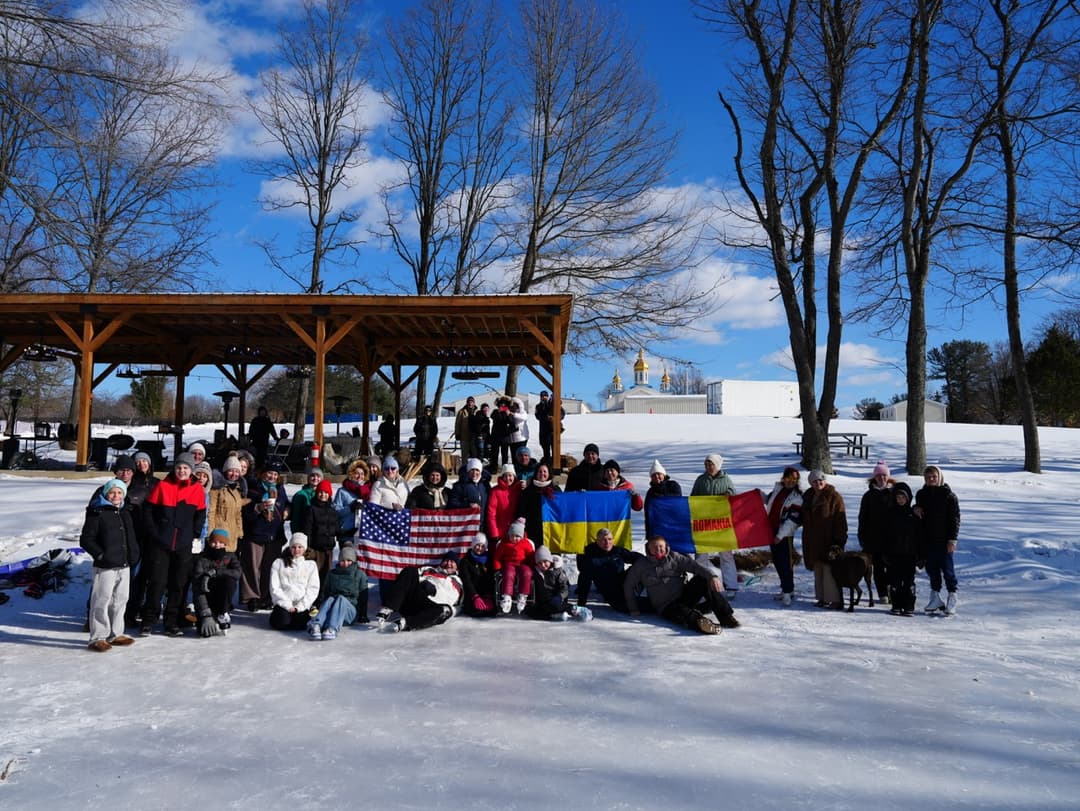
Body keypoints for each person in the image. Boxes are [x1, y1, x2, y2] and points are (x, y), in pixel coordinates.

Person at [141, 452, 207, 637]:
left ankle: (171, 621)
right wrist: (154, 533)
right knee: (157, 583)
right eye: (179, 467)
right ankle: (149, 620)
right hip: (161, 543)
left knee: (178, 584)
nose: (182, 471)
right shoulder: (163, 485)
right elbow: (148, 509)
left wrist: (194, 532)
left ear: (191, 470)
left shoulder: (196, 489)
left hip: (183, 544)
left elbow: (201, 513)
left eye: (186, 468)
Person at [623, 536, 739, 634]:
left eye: (661, 546)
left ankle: (726, 617)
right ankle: (702, 623)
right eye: (654, 547)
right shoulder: (641, 565)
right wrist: (633, 608)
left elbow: (695, 567)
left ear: (666, 546)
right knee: (682, 612)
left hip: (684, 596)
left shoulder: (675, 557)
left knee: (702, 579)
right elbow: (628, 585)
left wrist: (712, 576)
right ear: (648, 549)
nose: (658, 549)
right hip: (665, 606)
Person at [81, 478, 140, 651]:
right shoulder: (97, 512)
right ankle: (98, 636)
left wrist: (134, 554)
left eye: (119, 492)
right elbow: (86, 539)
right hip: (105, 565)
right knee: (101, 600)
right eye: (112, 492)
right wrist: (101, 554)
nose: (116, 495)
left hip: (124, 564)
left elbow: (130, 537)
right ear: (106, 493)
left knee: (120, 600)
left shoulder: (125, 512)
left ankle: (116, 633)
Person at [239, 462, 290, 612]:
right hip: (255, 532)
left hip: (275, 535)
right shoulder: (253, 488)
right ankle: (252, 597)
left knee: (270, 568)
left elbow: (286, 503)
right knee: (252, 567)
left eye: (275, 474)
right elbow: (244, 509)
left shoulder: (280, 490)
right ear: (262, 473)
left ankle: (266, 597)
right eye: (269, 473)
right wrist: (258, 507)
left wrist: (287, 510)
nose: (272, 476)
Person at [374, 552, 464, 632]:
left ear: (457, 566)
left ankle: (406, 623)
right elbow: (411, 578)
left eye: (452, 562)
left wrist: (434, 591)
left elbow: (451, 599)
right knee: (410, 570)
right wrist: (422, 583)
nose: (448, 563)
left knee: (443, 610)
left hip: (429, 606)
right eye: (446, 560)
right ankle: (388, 608)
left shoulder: (456, 581)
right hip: (414, 597)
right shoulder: (429, 569)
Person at [690, 453, 739, 598]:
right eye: (706, 464)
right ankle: (701, 584)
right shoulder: (700, 480)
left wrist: (729, 493)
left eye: (711, 464)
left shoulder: (726, 479)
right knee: (701, 556)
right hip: (704, 523)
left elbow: (734, 496)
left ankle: (730, 586)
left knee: (726, 555)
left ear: (717, 465)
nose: (708, 466)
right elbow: (692, 499)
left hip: (722, 524)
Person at [914, 465, 961, 615]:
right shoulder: (922, 494)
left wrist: (952, 539)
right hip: (928, 539)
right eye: (928, 477)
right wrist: (915, 508)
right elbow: (917, 512)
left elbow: (955, 519)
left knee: (947, 570)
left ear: (939, 477)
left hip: (944, 539)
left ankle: (952, 596)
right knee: (932, 570)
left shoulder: (948, 495)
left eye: (933, 477)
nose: (931, 479)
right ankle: (935, 596)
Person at [800, 470, 848, 609]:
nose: (818, 483)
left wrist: (839, 540)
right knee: (818, 569)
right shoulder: (808, 497)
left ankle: (833, 599)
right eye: (815, 481)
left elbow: (840, 520)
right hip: (813, 538)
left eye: (821, 480)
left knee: (829, 570)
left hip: (829, 539)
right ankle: (821, 597)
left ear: (825, 481)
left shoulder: (834, 496)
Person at [575, 527, 645, 612]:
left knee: (643, 565)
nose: (607, 543)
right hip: (610, 591)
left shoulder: (617, 551)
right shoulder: (590, 556)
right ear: (597, 541)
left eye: (609, 539)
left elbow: (638, 558)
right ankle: (656, 605)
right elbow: (584, 579)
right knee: (627, 606)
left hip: (623, 583)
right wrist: (581, 603)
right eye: (603, 540)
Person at [307, 544, 368, 639]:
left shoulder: (359, 575)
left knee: (340, 598)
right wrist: (318, 605)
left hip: (349, 612)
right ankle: (316, 624)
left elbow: (363, 596)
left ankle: (332, 628)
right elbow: (325, 592)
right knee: (331, 598)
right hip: (332, 609)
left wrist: (363, 615)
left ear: (354, 561)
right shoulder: (332, 574)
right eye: (343, 561)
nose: (346, 563)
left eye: (349, 561)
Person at [191, 528, 241, 637]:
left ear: (225, 543)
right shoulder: (201, 559)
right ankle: (212, 615)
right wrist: (205, 614)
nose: (217, 545)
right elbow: (197, 589)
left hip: (222, 599)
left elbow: (237, 573)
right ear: (210, 542)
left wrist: (215, 572)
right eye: (214, 542)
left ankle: (223, 613)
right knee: (205, 632)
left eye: (221, 542)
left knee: (229, 581)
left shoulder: (231, 557)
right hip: (207, 599)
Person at [764, 466, 803, 606]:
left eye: (794, 479)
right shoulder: (778, 490)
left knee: (785, 562)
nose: (791, 481)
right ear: (784, 478)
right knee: (777, 561)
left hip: (784, 534)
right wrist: (759, 495)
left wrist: (780, 535)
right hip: (771, 530)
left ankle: (788, 591)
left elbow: (793, 520)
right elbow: (769, 501)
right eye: (788, 478)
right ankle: (786, 589)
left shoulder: (797, 497)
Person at [858, 459, 895, 603]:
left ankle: (892, 590)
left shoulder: (894, 493)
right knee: (878, 567)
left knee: (892, 567)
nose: (882, 478)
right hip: (874, 538)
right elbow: (863, 518)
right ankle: (882, 593)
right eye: (879, 475)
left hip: (891, 538)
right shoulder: (868, 496)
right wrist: (862, 537)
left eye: (884, 475)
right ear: (874, 477)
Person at [885, 482, 923, 616]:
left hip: (910, 554)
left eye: (903, 497)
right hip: (894, 553)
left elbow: (920, 536)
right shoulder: (890, 513)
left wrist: (920, 555)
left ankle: (909, 605)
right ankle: (896, 604)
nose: (901, 500)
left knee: (908, 581)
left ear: (908, 498)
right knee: (895, 580)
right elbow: (886, 535)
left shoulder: (913, 514)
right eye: (898, 497)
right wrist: (886, 552)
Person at [268, 533, 320, 631]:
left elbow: (313, 589)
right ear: (290, 548)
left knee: (300, 625)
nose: (297, 550)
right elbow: (274, 588)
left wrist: (300, 606)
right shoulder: (278, 563)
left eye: (300, 547)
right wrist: (287, 605)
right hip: (283, 603)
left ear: (304, 549)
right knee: (282, 622)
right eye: (294, 547)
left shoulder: (311, 565)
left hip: (301, 605)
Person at [528, 546, 591, 621]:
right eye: (540, 563)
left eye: (545, 562)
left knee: (554, 605)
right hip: (543, 600)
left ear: (550, 560)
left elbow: (565, 587)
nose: (543, 565)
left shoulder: (557, 571)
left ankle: (576, 609)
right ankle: (556, 615)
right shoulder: (537, 572)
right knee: (531, 612)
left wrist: (560, 596)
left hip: (557, 597)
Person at [305, 478, 341, 599]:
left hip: (328, 549)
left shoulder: (333, 511)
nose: (323, 495)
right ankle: (313, 598)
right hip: (316, 548)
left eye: (325, 492)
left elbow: (337, 530)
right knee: (315, 574)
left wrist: (347, 532)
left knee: (326, 574)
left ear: (329, 494)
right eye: (320, 492)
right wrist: (308, 547)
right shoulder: (311, 509)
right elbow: (308, 530)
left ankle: (323, 596)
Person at [493, 518, 535, 614]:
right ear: (509, 535)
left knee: (527, 573)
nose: (515, 538)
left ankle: (523, 596)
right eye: (513, 536)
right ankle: (507, 596)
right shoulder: (504, 543)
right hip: (509, 564)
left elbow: (531, 555)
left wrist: (532, 564)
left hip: (522, 564)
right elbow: (497, 556)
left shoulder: (525, 543)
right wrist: (497, 566)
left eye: (517, 536)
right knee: (508, 574)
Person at [517, 462, 560, 547]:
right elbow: (522, 510)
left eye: (544, 471)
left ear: (549, 474)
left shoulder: (556, 490)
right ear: (536, 473)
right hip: (533, 530)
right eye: (540, 471)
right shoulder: (528, 491)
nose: (542, 474)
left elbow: (563, 507)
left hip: (551, 529)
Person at [333, 459, 371, 545]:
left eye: (362, 474)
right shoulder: (342, 491)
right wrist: (350, 508)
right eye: (357, 473)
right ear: (351, 473)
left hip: (364, 534)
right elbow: (335, 512)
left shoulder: (369, 492)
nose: (359, 476)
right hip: (347, 533)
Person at [459, 533, 497, 617]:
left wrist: (488, 597)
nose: (480, 548)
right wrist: (475, 596)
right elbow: (466, 581)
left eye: (482, 546)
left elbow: (490, 579)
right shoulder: (465, 561)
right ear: (473, 545)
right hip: (472, 595)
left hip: (486, 594)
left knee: (492, 611)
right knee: (476, 611)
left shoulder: (488, 560)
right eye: (477, 545)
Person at [643, 459, 681, 538]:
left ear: (663, 475)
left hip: (673, 524)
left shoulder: (673, 485)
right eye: (654, 475)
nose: (657, 477)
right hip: (658, 526)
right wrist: (648, 533)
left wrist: (660, 498)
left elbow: (677, 500)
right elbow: (648, 513)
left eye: (658, 474)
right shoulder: (650, 492)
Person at [486, 464, 521, 545]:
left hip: (516, 532)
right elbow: (491, 514)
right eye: (505, 476)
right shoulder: (495, 491)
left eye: (510, 475)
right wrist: (494, 533)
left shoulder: (519, 490)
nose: (508, 478)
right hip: (500, 531)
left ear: (514, 476)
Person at [289, 467, 324, 535]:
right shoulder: (300, 495)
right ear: (308, 478)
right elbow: (296, 516)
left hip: (319, 534)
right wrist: (296, 533)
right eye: (312, 475)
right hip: (303, 531)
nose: (315, 478)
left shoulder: (324, 495)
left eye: (318, 476)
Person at [534, 391, 564, 466]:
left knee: (555, 451)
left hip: (553, 432)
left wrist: (555, 418)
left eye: (545, 396)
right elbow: (538, 416)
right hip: (544, 432)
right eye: (542, 396)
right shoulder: (538, 406)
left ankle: (555, 467)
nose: (544, 397)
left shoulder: (553, 404)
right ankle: (547, 466)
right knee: (546, 451)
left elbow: (562, 413)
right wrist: (547, 417)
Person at [489, 397, 513, 471]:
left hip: (505, 436)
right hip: (496, 435)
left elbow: (511, 422)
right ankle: (494, 468)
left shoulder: (508, 412)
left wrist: (508, 414)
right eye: (501, 404)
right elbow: (493, 417)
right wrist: (498, 412)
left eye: (504, 404)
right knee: (494, 453)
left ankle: (504, 468)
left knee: (505, 454)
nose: (502, 405)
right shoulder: (495, 411)